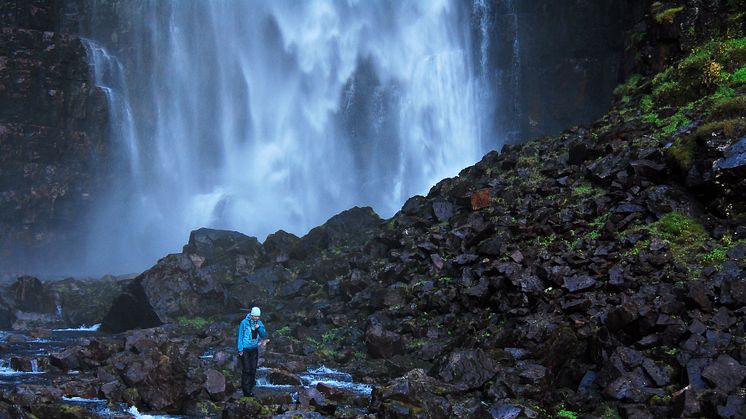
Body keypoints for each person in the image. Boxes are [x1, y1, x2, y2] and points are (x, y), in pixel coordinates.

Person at [236, 306, 267, 397]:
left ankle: (251, 387)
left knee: (253, 369)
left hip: (254, 349)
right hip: (245, 349)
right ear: (252, 315)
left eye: (258, 317)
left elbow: (263, 334)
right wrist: (240, 349)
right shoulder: (244, 323)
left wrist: (259, 328)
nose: (257, 318)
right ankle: (246, 391)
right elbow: (240, 336)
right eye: (255, 316)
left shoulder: (259, 323)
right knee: (247, 369)